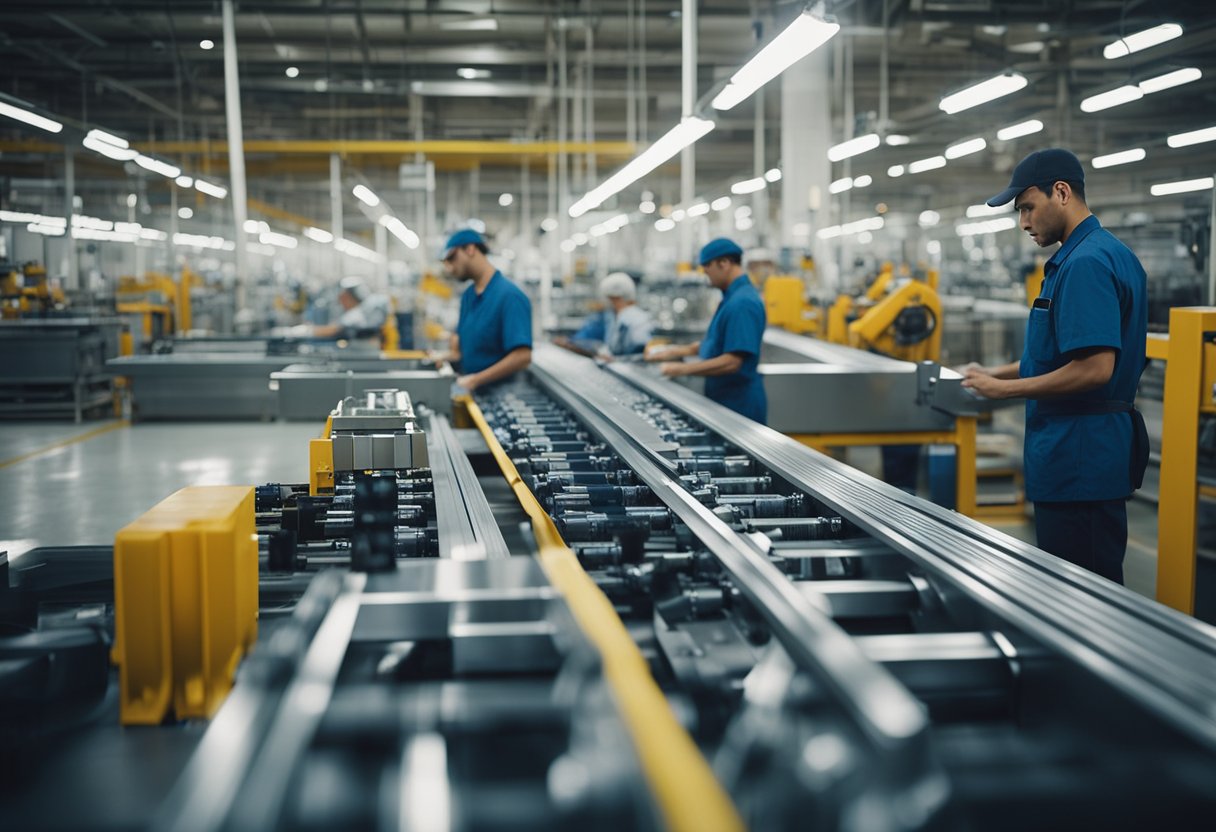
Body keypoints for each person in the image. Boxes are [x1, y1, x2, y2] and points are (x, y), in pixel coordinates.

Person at [962, 148, 1148, 584]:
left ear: (1061, 192)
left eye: (1027, 207)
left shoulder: (1084, 264)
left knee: (1083, 600)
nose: (1023, 222)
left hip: (1078, 464)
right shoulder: (1103, 254)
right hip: (1080, 460)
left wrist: (1002, 393)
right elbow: (1052, 356)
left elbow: (1095, 369)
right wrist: (993, 375)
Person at [646, 238, 767, 423]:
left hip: (739, 405)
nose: (705, 274)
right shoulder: (730, 298)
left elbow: (732, 362)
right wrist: (677, 351)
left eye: (707, 267)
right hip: (725, 399)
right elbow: (718, 343)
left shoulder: (742, 303)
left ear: (724, 263)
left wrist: (681, 369)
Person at [441, 228, 532, 392]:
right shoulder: (468, 296)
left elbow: (522, 356)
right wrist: (448, 356)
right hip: (472, 390)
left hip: (502, 396)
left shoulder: (510, 296)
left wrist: (476, 380)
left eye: (452, 258)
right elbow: (463, 343)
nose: (450, 267)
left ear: (470, 249)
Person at [554, 272, 653, 358]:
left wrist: (616, 360)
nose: (604, 301)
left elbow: (640, 352)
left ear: (615, 297)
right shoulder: (614, 317)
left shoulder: (635, 318)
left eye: (607, 297)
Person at [310, 277, 389, 340]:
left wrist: (310, 331)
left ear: (350, 297)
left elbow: (337, 329)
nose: (341, 302)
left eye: (343, 298)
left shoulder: (357, 313)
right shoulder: (359, 310)